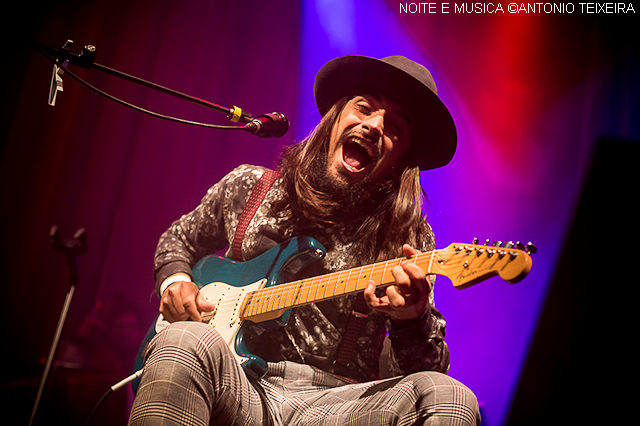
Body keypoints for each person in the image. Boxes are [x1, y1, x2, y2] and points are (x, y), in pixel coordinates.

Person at [128, 55, 481, 425]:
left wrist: (412, 318)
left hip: (337, 405)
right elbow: (178, 240)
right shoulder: (251, 187)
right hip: (237, 385)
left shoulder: (409, 238)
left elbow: (425, 367)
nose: (375, 126)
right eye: (365, 107)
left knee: (450, 395)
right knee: (182, 339)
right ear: (335, 118)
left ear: (401, 159)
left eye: (394, 127)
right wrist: (176, 280)